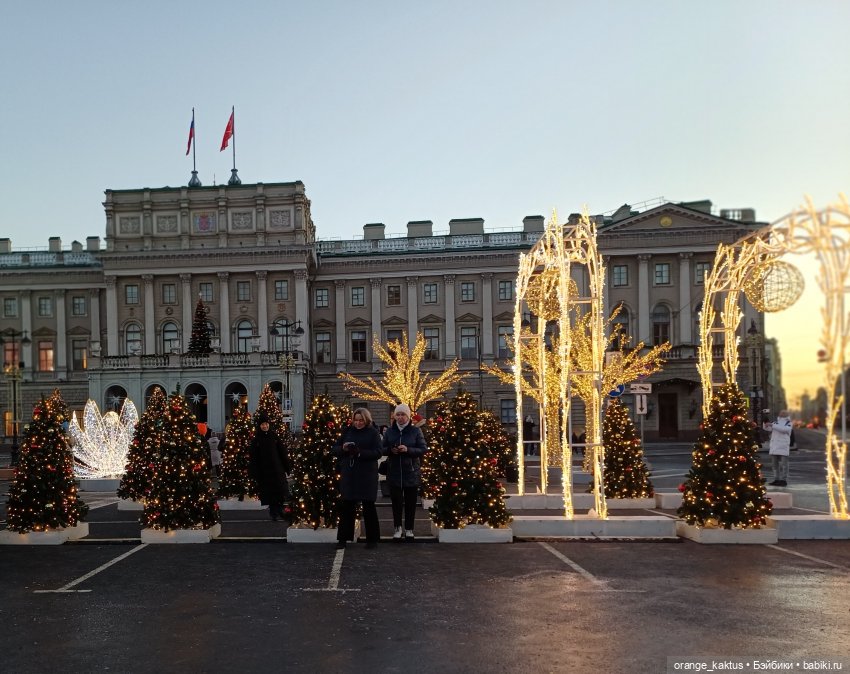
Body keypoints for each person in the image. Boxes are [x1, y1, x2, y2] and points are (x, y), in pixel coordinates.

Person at [332, 408, 383, 549]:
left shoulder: (373, 432)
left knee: (368, 507)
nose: (358, 423)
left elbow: (378, 452)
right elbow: (334, 449)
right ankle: (343, 539)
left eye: (361, 420)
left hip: (367, 475)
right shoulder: (347, 431)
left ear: (366, 420)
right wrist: (343, 448)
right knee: (347, 506)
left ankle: (372, 539)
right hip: (350, 473)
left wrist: (360, 453)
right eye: (356, 420)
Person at [382, 403, 428, 541]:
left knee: (410, 502)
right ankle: (397, 528)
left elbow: (423, 449)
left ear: (408, 416)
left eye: (403, 415)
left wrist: (408, 450)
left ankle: (409, 528)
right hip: (394, 471)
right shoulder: (390, 431)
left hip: (411, 472)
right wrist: (391, 450)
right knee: (396, 502)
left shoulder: (415, 431)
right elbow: (382, 448)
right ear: (395, 416)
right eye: (398, 415)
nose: (400, 417)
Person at [249, 413, 291, 521]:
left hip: (277, 469)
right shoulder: (256, 440)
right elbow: (254, 457)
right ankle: (274, 513)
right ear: (259, 426)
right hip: (265, 472)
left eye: (266, 424)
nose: (265, 426)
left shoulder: (274, 436)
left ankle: (280, 510)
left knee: (280, 491)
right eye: (263, 424)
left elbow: (282, 453)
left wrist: (287, 467)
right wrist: (254, 472)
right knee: (270, 494)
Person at [764, 410, 792, 487]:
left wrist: (772, 425)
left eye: (784, 413)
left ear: (787, 414)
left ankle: (783, 480)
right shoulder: (775, 422)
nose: (782, 413)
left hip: (783, 446)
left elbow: (784, 429)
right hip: (774, 446)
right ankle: (776, 479)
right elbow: (767, 429)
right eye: (781, 412)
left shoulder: (788, 423)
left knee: (784, 464)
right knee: (774, 465)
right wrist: (765, 422)